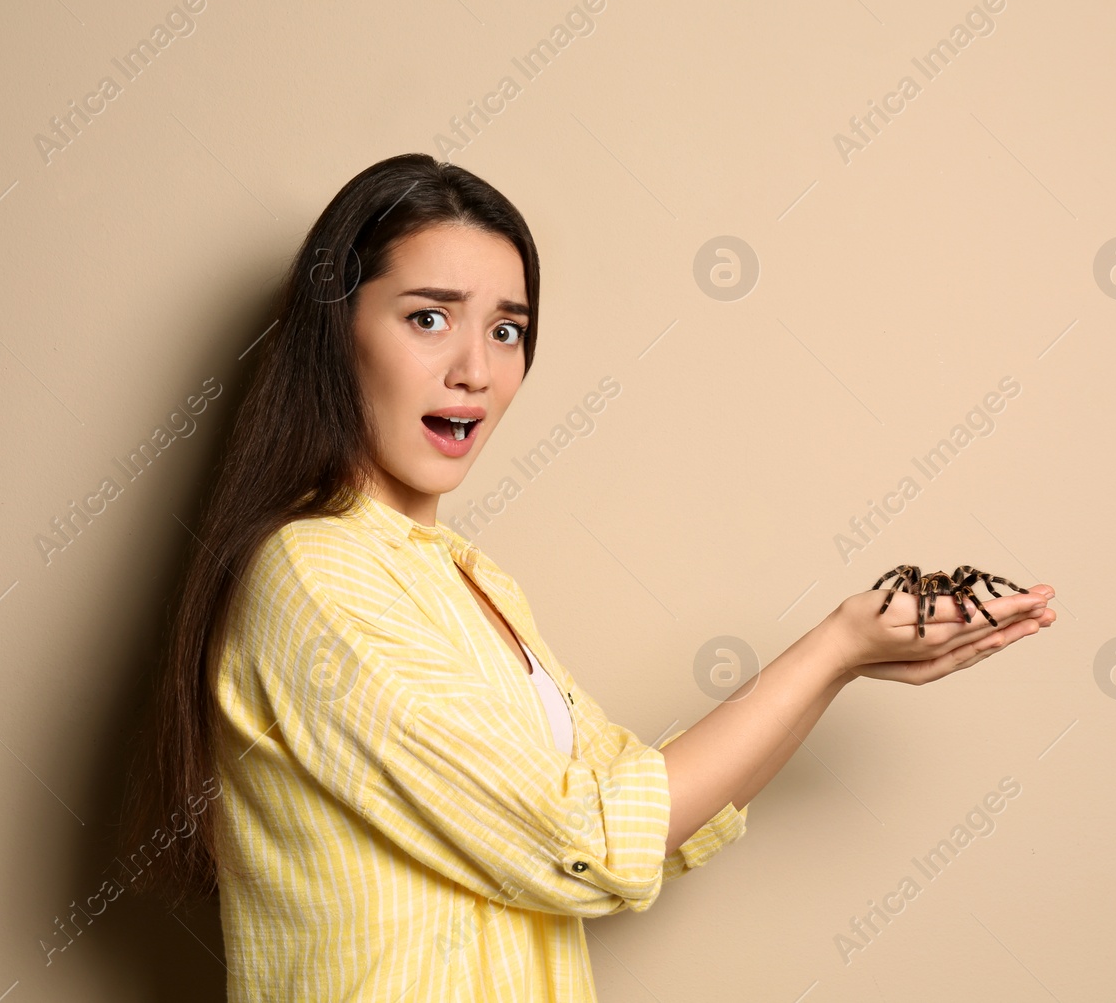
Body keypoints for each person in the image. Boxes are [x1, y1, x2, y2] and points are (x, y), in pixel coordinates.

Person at [118, 153, 1058, 1000]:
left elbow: (638, 805)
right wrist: (832, 649)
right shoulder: (316, 576)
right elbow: (593, 838)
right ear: (335, 329)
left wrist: (845, 658)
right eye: (429, 317)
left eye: (508, 330)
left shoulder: (469, 580)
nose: (473, 370)